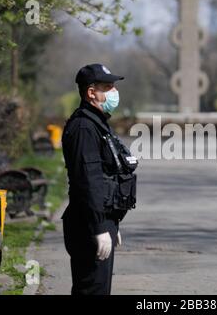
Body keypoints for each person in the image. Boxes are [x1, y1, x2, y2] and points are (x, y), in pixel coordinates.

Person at [61, 63, 137, 295]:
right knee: (92, 290)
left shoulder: (97, 123)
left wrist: (111, 223)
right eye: (108, 87)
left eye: (114, 86)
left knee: (99, 289)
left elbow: (106, 176)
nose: (114, 92)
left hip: (100, 221)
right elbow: (88, 181)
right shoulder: (84, 127)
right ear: (91, 92)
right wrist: (99, 227)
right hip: (88, 225)